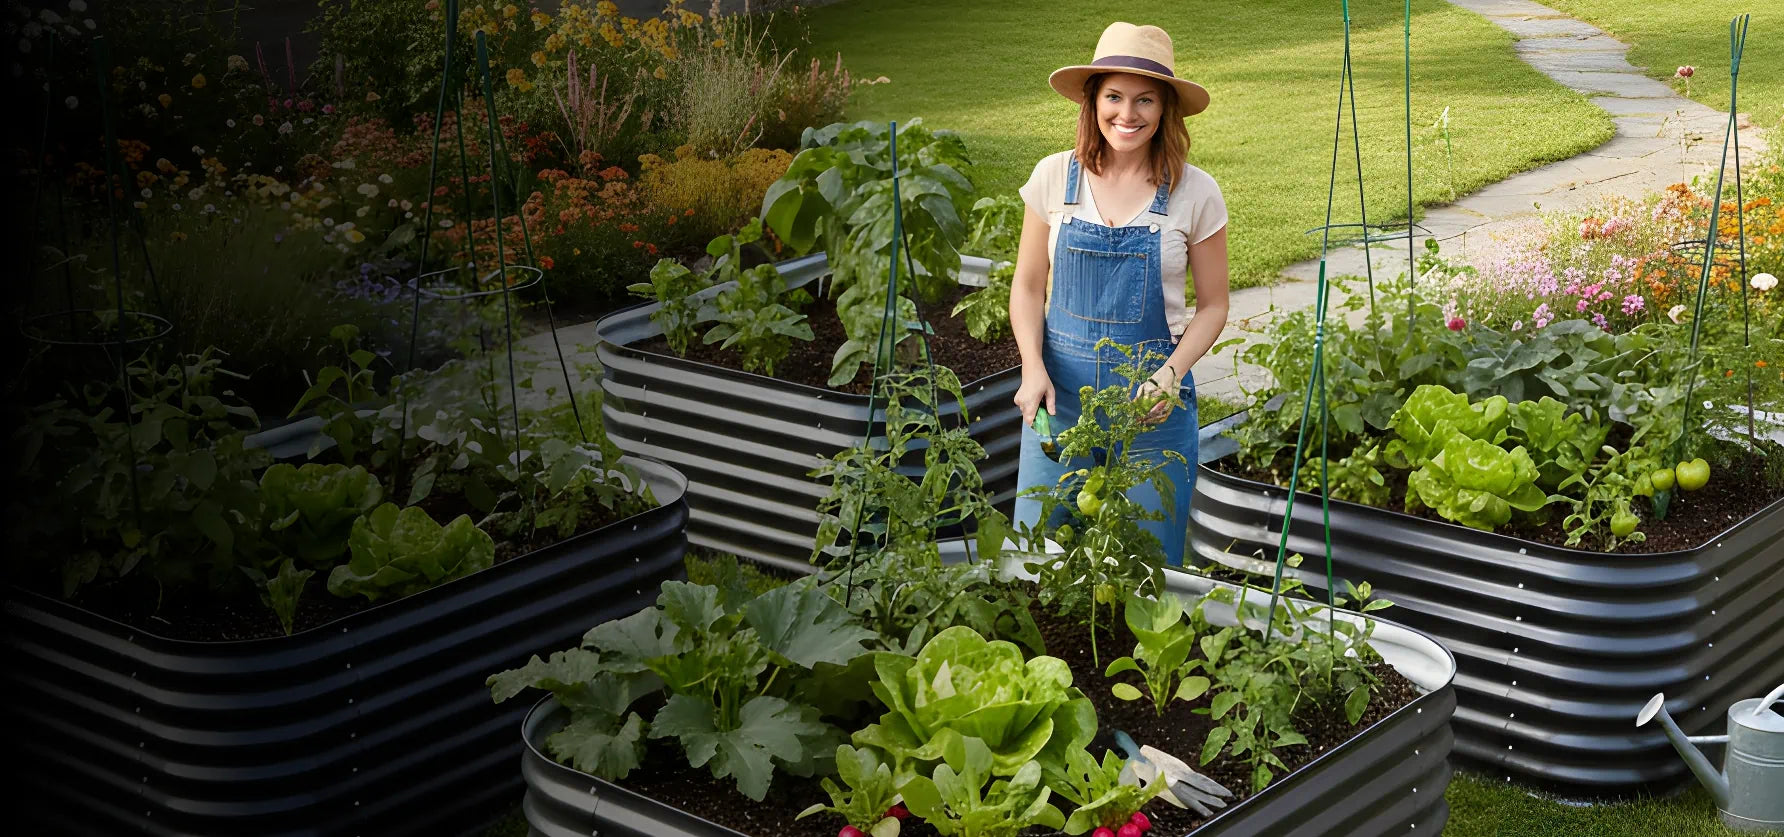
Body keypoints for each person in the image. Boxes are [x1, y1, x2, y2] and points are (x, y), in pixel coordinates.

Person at [1009, 21, 1232, 567]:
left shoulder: (1195, 192)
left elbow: (1215, 306)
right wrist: (1031, 366)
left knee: (1147, 569)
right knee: (1033, 558)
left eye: (1144, 100)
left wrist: (1169, 375)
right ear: (1093, 100)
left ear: (1164, 111)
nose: (1126, 115)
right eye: (1114, 96)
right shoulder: (1052, 177)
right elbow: (1028, 285)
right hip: (1060, 400)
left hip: (1152, 408)